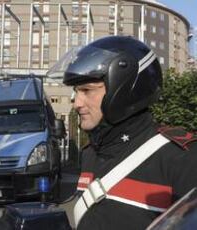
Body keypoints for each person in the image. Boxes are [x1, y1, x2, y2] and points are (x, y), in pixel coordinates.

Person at [47, 36, 197, 230]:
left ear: (124, 90)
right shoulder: (90, 153)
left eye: (87, 90)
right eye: (76, 91)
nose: (77, 103)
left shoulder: (180, 158)